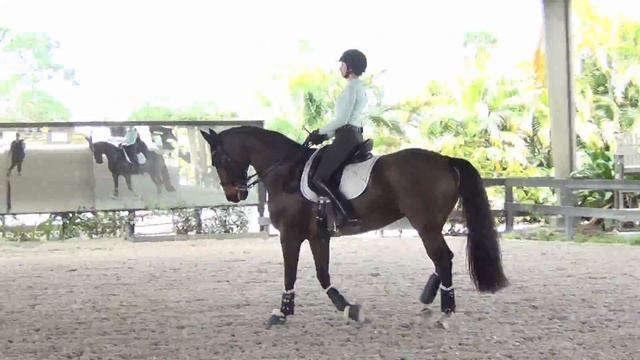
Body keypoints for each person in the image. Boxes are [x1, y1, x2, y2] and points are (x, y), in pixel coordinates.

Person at [305, 49, 368, 226]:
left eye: (342, 64)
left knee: (319, 178)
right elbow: (346, 120)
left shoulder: (350, 89)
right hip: (352, 133)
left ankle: (347, 213)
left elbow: (342, 119)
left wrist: (319, 131)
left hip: (347, 136)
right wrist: (325, 135)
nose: (340, 68)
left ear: (349, 67)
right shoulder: (360, 87)